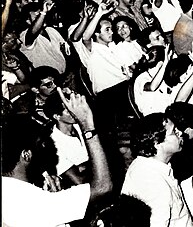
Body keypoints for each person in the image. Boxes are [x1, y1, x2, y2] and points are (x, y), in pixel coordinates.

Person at [2, 88, 113, 227]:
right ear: (26, 155)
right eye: (39, 146)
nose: (44, 149)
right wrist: (87, 126)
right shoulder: (36, 202)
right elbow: (102, 187)